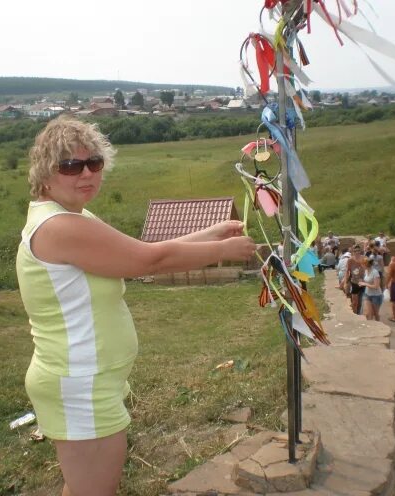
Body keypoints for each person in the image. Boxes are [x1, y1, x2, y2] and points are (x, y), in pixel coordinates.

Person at [15, 117, 256, 496]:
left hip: (86, 379)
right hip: (79, 383)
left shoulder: (73, 217)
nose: (86, 174)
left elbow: (137, 253)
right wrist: (221, 251)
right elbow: (149, 262)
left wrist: (209, 233)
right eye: (70, 165)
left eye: (94, 162)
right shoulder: (62, 226)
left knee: (82, 488)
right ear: (45, 172)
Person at [342, 244, 365, 314]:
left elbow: (368, 269)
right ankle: (355, 314)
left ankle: (358, 313)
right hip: (354, 282)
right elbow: (347, 271)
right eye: (355, 251)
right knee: (355, 302)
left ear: (360, 251)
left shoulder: (364, 258)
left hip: (363, 282)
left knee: (361, 302)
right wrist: (346, 282)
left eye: (358, 250)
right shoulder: (350, 260)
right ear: (353, 252)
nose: (357, 252)